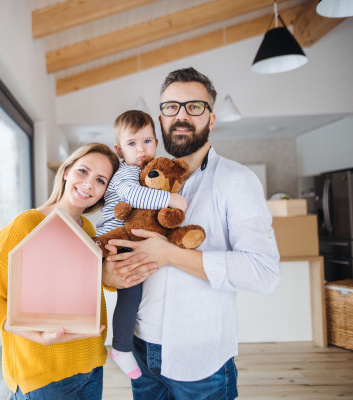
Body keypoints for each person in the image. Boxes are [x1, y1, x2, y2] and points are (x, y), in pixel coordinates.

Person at [104, 67, 281, 399]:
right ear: (161, 118)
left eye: (194, 107)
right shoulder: (143, 179)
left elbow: (264, 272)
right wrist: (109, 273)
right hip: (140, 349)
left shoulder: (237, 180)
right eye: (172, 107)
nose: (181, 116)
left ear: (210, 119)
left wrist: (171, 254)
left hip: (202, 360)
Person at [0, 143, 151, 400]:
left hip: (91, 366)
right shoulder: (26, 225)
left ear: (105, 191)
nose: (88, 184)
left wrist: (110, 277)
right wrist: (37, 336)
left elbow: (80, 285)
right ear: (66, 171)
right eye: (83, 171)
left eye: (100, 180)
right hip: (43, 376)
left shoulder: (90, 232)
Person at [96, 110, 187, 380]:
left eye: (147, 141)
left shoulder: (147, 171)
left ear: (156, 143)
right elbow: (132, 195)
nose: (141, 149)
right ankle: (121, 347)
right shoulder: (125, 174)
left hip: (131, 236)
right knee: (131, 293)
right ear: (119, 149)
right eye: (132, 144)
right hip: (116, 238)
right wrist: (169, 200)